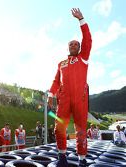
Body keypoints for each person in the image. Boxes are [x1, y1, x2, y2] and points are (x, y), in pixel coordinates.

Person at [47, 8, 92, 167]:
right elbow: (55, 82)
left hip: (80, 99)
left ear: (80, 48)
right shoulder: (61, 64)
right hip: (64, 100)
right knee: (59, 128)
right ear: (68, 48)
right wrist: (51, 95)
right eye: (70, 44)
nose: (73, 45)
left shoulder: (83, 58)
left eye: (76, 44)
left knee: (80, 131)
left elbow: (87, 39)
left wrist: (81, 20)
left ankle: (82, 159)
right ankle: (62, 157)